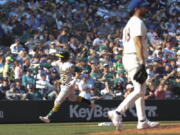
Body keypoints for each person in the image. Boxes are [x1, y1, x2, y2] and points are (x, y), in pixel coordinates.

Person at [107, 0, 160, 130]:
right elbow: (137, 42)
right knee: (138, 90)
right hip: (134, 57)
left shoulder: (130, 23)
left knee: (140, 90)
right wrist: (142, 62)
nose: (146, 8)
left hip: (129, 57)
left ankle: (142, 120)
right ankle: (117, 112)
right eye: (144, 6)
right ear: (137, 8)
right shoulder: (137, 22)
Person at [39, 51, 96, 123]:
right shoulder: (59, 62)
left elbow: (79, 70)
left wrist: (75, 79)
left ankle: (48, 117)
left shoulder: (69, 65)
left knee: (57, 101)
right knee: (73, 98)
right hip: (64, 85)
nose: (59, 57)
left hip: (68, 85)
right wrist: (39, 64)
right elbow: (49, 65)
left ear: (64, 58)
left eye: (61, 57)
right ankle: (90, 103)